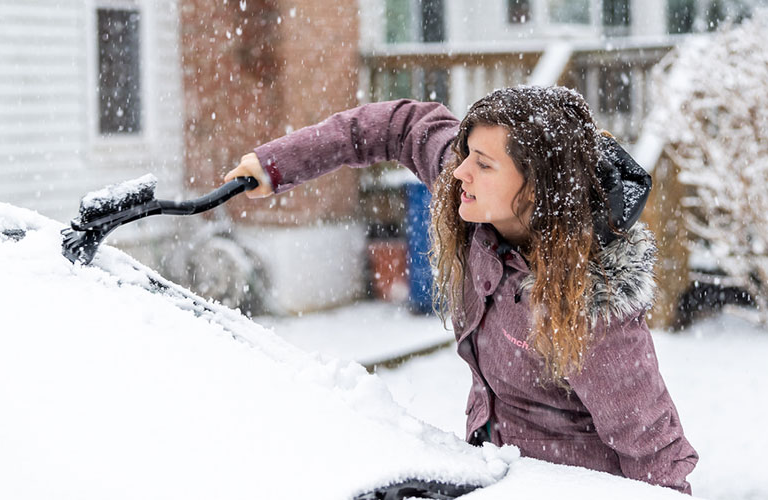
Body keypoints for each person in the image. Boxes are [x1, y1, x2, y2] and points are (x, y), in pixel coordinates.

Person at [224, 86, 698, 493]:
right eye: (466, 153)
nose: (459, 172)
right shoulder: (475, 206)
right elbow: (400, 125)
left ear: (538, 190)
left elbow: (655, 453)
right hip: (492, 475)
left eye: (483, 164)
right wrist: (278, 163)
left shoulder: (593, 309)